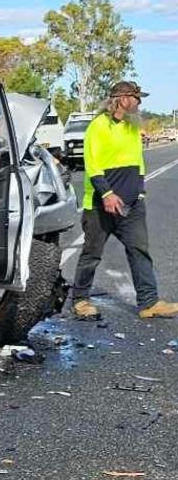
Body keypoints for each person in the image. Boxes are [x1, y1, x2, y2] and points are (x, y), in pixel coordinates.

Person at [70, 81, 178, 320]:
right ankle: (80, 299)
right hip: (101, 205)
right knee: (92, 253)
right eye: (137, 98)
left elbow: (138, 161)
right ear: (123, 99)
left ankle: (149, 303)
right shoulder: (98, 127)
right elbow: (93, 164)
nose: (139, 103)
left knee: (139, 250)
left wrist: (139, 192)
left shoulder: (131, 127)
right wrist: (107, 194)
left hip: (132, 204)